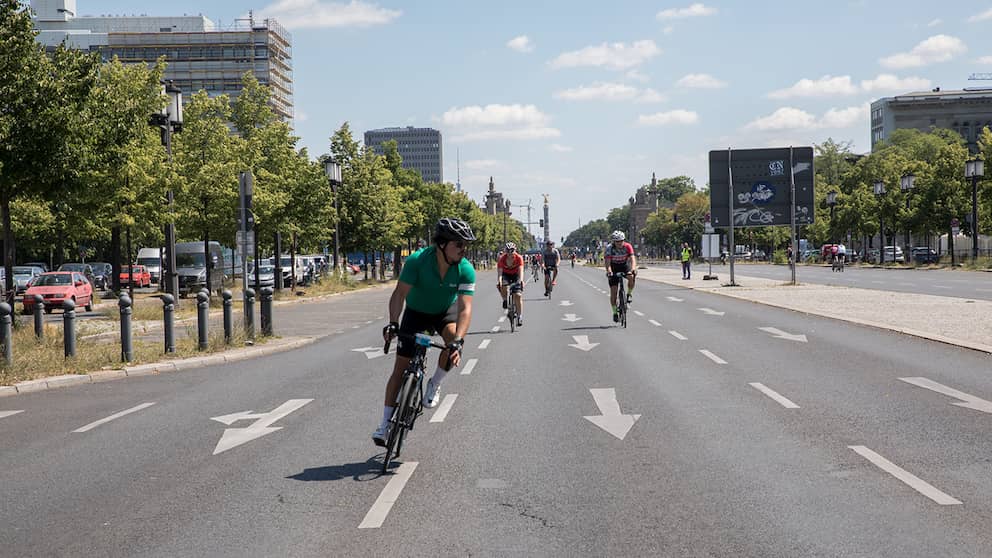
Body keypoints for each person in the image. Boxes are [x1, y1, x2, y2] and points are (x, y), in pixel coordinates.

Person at [374, 218, 477, 446]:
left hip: (443, 311)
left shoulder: (465, 269)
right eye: (459, 244)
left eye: (465, 245)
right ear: (442, 244)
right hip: (416, 311)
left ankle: (435, 382)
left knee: (452, 343)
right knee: (399, 369)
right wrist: (393, 323)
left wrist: (458, 341)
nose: (463, 249)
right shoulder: (418, 260)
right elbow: (399, 295)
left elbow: (465, 308)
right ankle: (384, 424)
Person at [604, 230, 636, 322]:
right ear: (614, 241)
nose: (619, 243)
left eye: (621, 241)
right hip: (614, 267)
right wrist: (609, 271)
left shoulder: (627, 246)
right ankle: (614, 312)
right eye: (617, 241)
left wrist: (633, 269)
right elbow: (607, 263)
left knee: (631, 276)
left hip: (624, 265)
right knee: (613, 293)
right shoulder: (609, 248)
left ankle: (629, 294)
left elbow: (632, 259)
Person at [497, 241, 525, 326]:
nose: (510, 253)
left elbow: (521, 270)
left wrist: (521, 281)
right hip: (506, 274)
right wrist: (499, 281)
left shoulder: (519, 258)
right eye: (508, 251)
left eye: (512, 251)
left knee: (518, 295)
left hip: (516, 275)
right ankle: (505, 300)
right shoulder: (502, 259)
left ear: (515, 250)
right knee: (502, 285)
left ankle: (520, 316)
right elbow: (500, 273)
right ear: (505, 251)